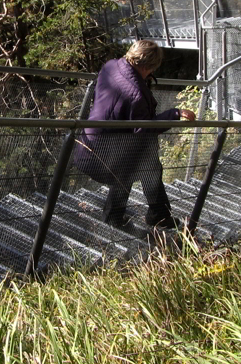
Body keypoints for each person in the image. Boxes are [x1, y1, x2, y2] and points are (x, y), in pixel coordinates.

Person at [73, 40, 196, 229]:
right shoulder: (137, 94)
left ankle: (154, 215)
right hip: (103, 156)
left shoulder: (110, 66)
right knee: (141, 163)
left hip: (87, 143)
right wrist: (175, 114)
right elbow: (145, 129)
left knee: (140, 161)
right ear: (150, 66)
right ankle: (151, 216)